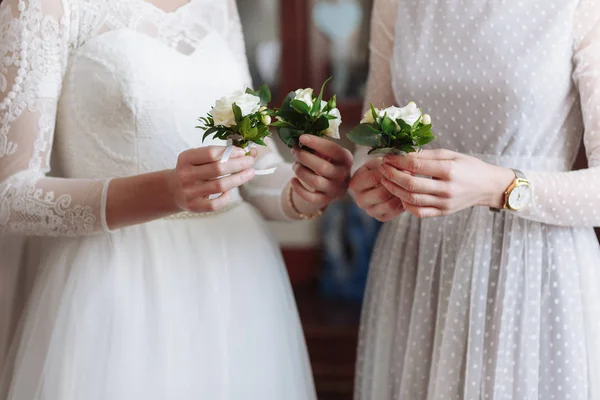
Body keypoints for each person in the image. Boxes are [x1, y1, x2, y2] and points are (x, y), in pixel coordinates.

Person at [0, 0, 353, 398]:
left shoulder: (219, 6)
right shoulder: (43, 6)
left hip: (236, 283)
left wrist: (303, 189)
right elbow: (11, 195)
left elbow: (251, 157)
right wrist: (167, 191)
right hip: (118, 285)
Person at [350, 0, 600, 398]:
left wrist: (500, 188)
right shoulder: (395, 4)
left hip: (531, 268)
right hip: (418, 264)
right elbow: (375, 140)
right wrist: (369, 183)